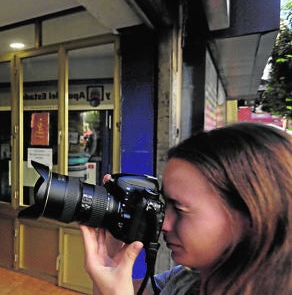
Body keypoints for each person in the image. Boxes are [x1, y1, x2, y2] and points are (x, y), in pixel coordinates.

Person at [80, 122, 292, 295]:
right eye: (165, 203)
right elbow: (125, 289)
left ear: (252, 217)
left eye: (180, 209)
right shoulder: (191, 278)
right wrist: (109, 257)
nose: (164, 223)